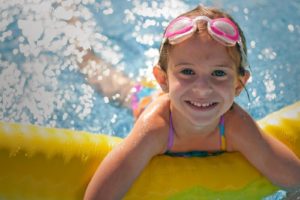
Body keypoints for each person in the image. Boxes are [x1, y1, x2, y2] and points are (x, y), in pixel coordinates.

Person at [83, 5, 300, 199]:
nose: (202, 88)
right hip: (146, 101)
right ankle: (83, 52)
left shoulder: (235, 125)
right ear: (163, 79)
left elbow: (294, 180)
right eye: (187, 71)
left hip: (179, 96)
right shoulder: (155, 128)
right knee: (113, 85)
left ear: (238, 85)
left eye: (218, 73)